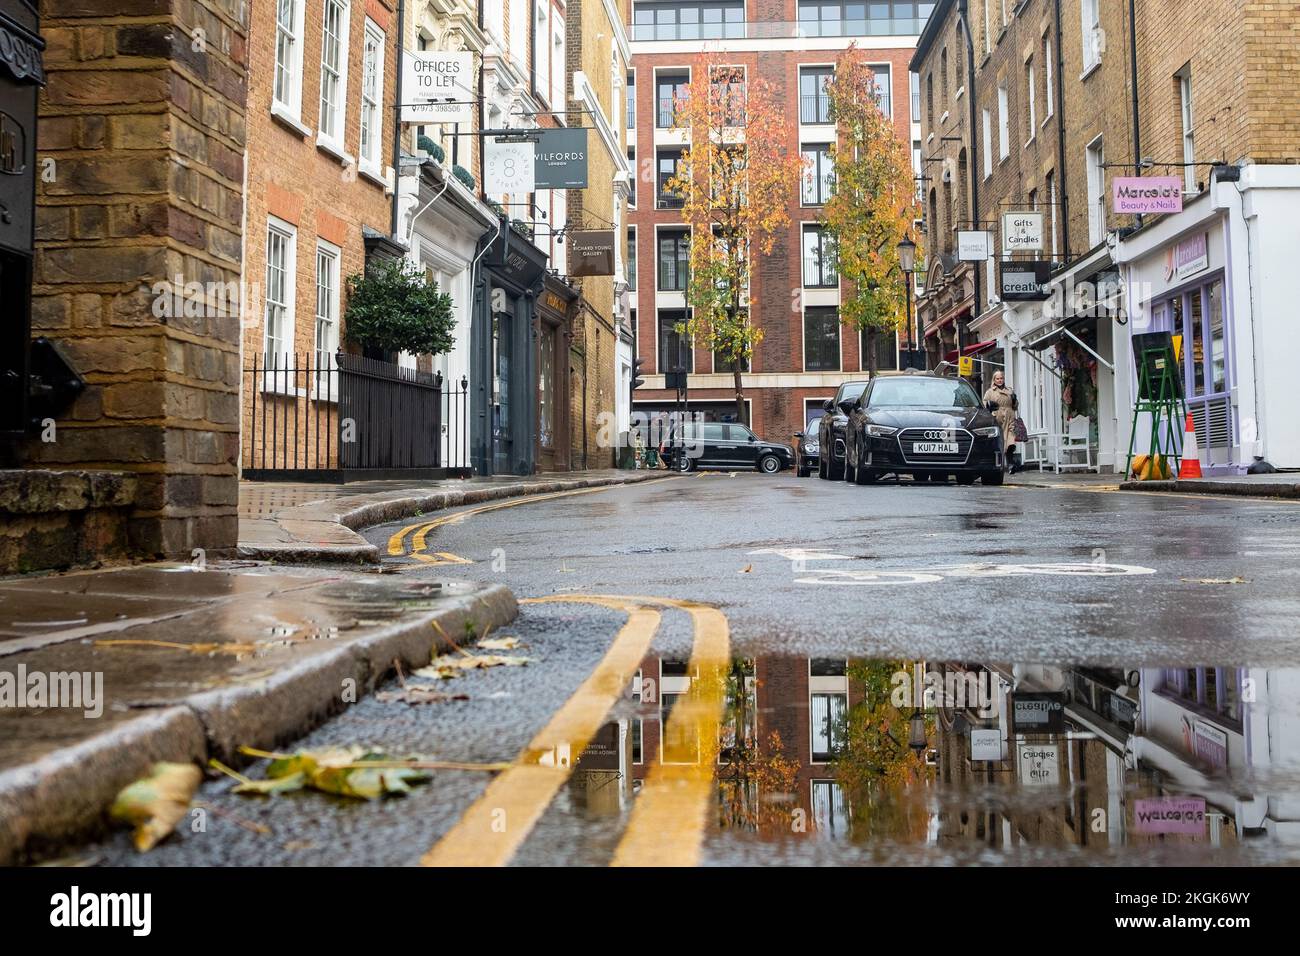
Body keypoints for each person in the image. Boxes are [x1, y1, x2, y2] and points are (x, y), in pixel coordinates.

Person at [983, 370, 1021, 474]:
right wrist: (989, 405)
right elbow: (984, 404)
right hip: (997, 419)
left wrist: (1014, 400)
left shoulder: (1009, 390)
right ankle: (998, 465)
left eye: (1001, 378)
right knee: (999, 442)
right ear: (994, 380)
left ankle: (1010, 464)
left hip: (1009, 418)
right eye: (998, 378)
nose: (1000, 380)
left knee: (1011, 441)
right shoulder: (990, 392)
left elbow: (1015, 406)